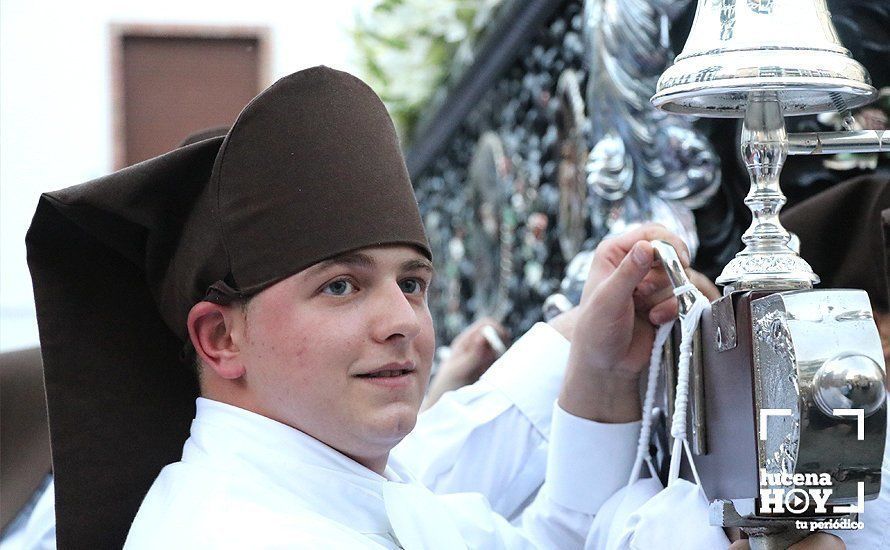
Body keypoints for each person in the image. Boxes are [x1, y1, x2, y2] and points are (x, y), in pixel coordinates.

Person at [26, 66, 692, 548]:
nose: (401, 319)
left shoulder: (355, 484)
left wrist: (602, 370)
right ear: (221, 339)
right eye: (340, 286)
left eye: (411, 283)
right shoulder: (241, 532)